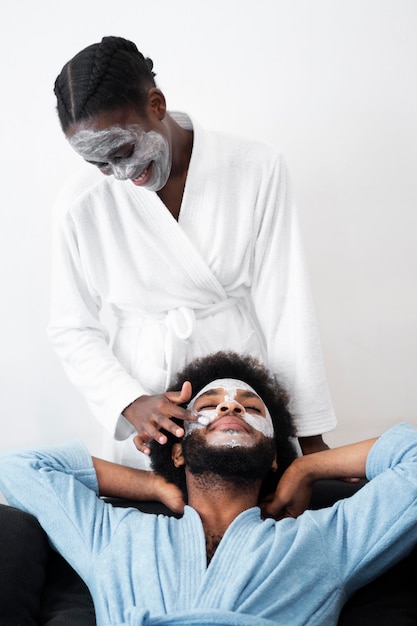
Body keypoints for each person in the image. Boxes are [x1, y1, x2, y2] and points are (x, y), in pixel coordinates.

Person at [48, 35, 336, 468]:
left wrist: (310, 443)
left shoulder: (256, 167)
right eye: (100, 164)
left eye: (124, 150)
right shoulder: (80, 204)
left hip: (237, 392)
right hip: (146, 406)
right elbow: (71, 327)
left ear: (156, 104)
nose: (121, 174)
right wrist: (128, 401)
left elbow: (287, 309)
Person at [1, 351, 417, 626]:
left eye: (251, 409)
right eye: (210, 405)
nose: (231, 407)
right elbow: (20, 468)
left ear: (273, 455)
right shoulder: (113, 535)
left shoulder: (324, 541)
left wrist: (306, 466)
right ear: (178, 452)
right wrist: (150, 484)